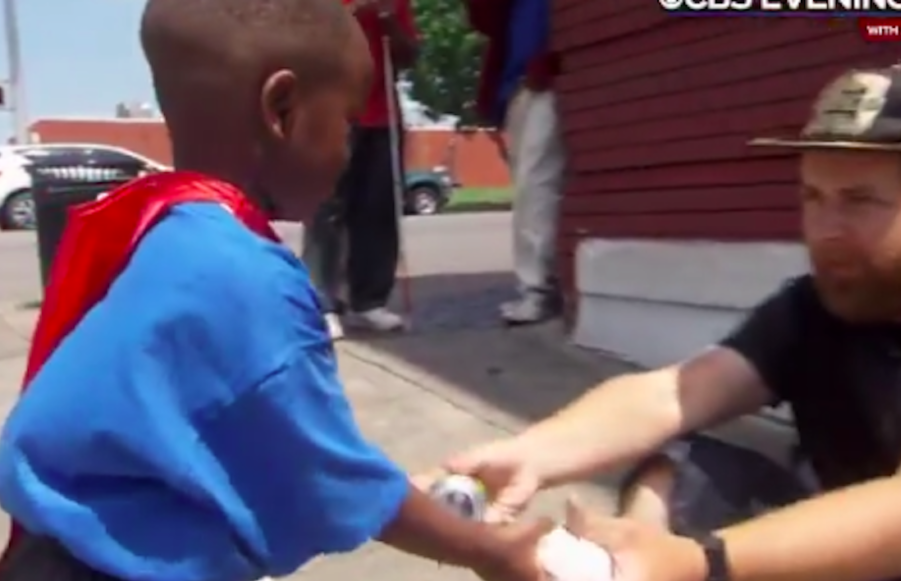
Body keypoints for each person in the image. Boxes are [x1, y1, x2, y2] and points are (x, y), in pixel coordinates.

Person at [0, 1, 552, 580]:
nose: (346, 149)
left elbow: (234, 435)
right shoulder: (250, 278)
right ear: (281, 109)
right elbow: (332, 480)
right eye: (343, 122)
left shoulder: (165, 228)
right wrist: (488, 551)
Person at [441, 65, 901, 581]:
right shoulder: (822, 302)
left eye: (860, 201)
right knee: (678, 466)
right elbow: (675, 393)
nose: (824, 229)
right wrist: (531, 456)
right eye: (812, 196)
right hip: (846, 552)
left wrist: (703, 563)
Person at [301, 0, 418, 337]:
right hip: (332, 113)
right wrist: (352, 15)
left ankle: (369, 301)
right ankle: (322, 304)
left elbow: (408, 56)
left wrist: (389, 20)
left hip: (381, 117)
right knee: (327, 210)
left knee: (378, 209)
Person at [463, 0, 566, 325]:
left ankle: (539, 289)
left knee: (536, 182)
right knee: (530, 183)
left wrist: (546, 62)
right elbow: (483, 19)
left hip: (544, 79)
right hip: (517, 84)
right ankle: (536, 286)